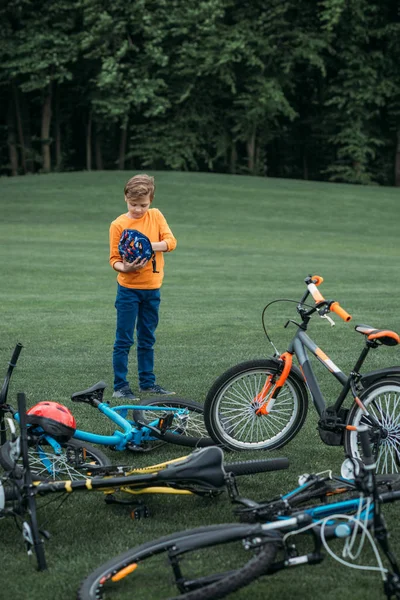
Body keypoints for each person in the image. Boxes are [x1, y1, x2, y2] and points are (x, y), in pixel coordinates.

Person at [109, 174, 177, 400]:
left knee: (147, 338)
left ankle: (147, 383)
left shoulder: (156, 216)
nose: (138, 210)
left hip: (152, 290)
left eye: (143, 205)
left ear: (151, 200)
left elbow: (171, 242)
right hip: (128, 290)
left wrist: (145, 245)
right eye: (133, 204)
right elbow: (114, 259)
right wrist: (124, 268)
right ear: (125, 199)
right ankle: (121, 386)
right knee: (124, 339)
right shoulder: (118, 224)